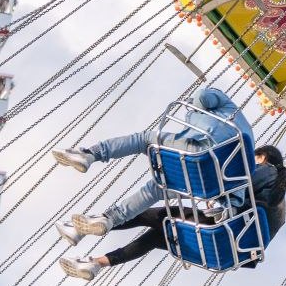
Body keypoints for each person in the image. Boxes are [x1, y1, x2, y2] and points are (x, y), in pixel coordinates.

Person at [56, 145, 286, 279]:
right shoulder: (279, 202)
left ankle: (84, 229)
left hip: (223, 231)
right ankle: (95, 263)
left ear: (263, 157)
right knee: (158, 236)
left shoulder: (268, 170)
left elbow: (236, 182)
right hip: (227, 249)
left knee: (155, 215)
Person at [49, 87, 252, 234]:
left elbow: (203, 97)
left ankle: (90, 154)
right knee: (158, 187)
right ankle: (109, 219)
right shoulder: (246, 144)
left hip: (202, 151)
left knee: (144, 139)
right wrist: (227, 204)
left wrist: (192, 107)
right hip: (211, 183)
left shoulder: (224, 103)